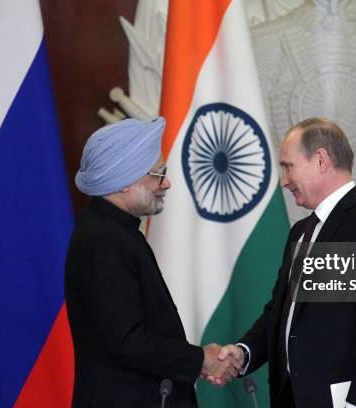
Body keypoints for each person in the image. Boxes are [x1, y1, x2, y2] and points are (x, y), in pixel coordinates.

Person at [213, 118, 356, 407]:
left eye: (288, 166)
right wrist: (245, 352)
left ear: (320, 160)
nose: (284, 180)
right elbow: (280, 312)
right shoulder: (301, 231)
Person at [64, 118, 239, 408]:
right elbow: (128, 341)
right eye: (158, 173)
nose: (166, 183)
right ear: (123, 181)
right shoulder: (104, 240)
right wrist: (201, 361)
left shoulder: (115, 232)